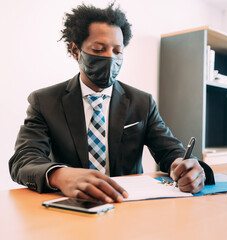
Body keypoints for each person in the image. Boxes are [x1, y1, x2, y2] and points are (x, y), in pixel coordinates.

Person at [9, 3, 214, 203]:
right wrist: (60, 175)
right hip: (69, 207)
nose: (110, 58)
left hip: (127, 205)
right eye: (98, 50)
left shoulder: (142, 102)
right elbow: (23, 160)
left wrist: (186, 167)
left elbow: (170, 151)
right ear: (75, 51)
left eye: (117, 51)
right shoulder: (44, 101)